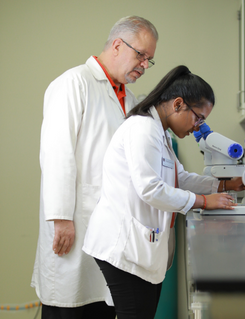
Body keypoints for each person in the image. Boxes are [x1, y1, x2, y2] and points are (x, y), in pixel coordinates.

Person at [82, 65, 245, 319]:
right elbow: (150, 188)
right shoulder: (143, 129)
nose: (198, 126)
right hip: (122, 244)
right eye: (199, 117)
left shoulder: (159, 132)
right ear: (178, 104)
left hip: (137, 245)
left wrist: (225, 185)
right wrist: (204, 201)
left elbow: (178, 178)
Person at [31, 16, 158, 319]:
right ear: (117, 45)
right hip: (76, 220)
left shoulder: (130, 99)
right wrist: (61, 218)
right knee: (69, 304)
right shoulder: (73, 83)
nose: (144, 64)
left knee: (100, 305)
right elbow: (56, 154)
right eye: (141, 54)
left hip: (109, 231)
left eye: (149, 60)